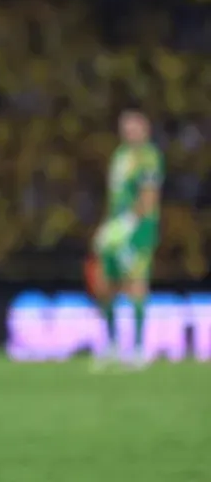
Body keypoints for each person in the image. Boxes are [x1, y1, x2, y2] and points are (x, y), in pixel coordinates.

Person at [89, 109, 164, 371]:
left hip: (139, 229)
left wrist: (130, 223)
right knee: (104, 283)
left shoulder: (149, 157)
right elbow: (115, 196)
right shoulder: (119, 156)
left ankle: (140, 349)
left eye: (134, 128)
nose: (129, 132)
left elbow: (149, 195)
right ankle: (111, 346)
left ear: (145, 130)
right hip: (116, 227)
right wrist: (107, 225)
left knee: (135, 283)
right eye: (126, 128)